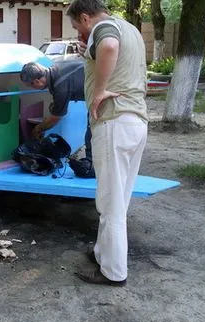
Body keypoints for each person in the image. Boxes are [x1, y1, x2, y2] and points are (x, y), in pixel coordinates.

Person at [66, 0, 149, 286]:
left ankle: (113, 272)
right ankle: (103, 253)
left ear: (86, 17)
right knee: (117, 199)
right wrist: (89, 53)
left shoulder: (104, 28)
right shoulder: (131, 29)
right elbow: (116, 53)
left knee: (110, 203)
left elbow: (110, 46)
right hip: (135, 120)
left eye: (78, 27)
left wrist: (99, 90)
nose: (79, 33)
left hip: (114, 122)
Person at [20, 60, 94, 176]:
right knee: (93, 128)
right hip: (99, 89)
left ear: (37, 81)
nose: (32, 88)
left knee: (94, 130)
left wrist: (39, 128)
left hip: (103, 92)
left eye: (31, 85)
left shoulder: (60, 86)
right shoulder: (57, 67)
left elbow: (56, 117)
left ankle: (92, 166)